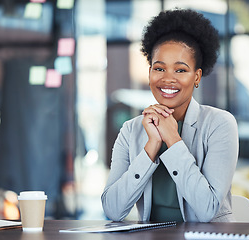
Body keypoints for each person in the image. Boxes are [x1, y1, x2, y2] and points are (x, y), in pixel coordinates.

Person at [101, 9, 239, 223]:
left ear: (197, 77)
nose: (168, 79)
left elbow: (208, 210)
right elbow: (112, 209)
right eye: (159, 68)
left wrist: (173, 140)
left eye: (181, 70)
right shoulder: (132, 130)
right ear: (149, 74)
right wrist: (152, 146)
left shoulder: (219, 124)